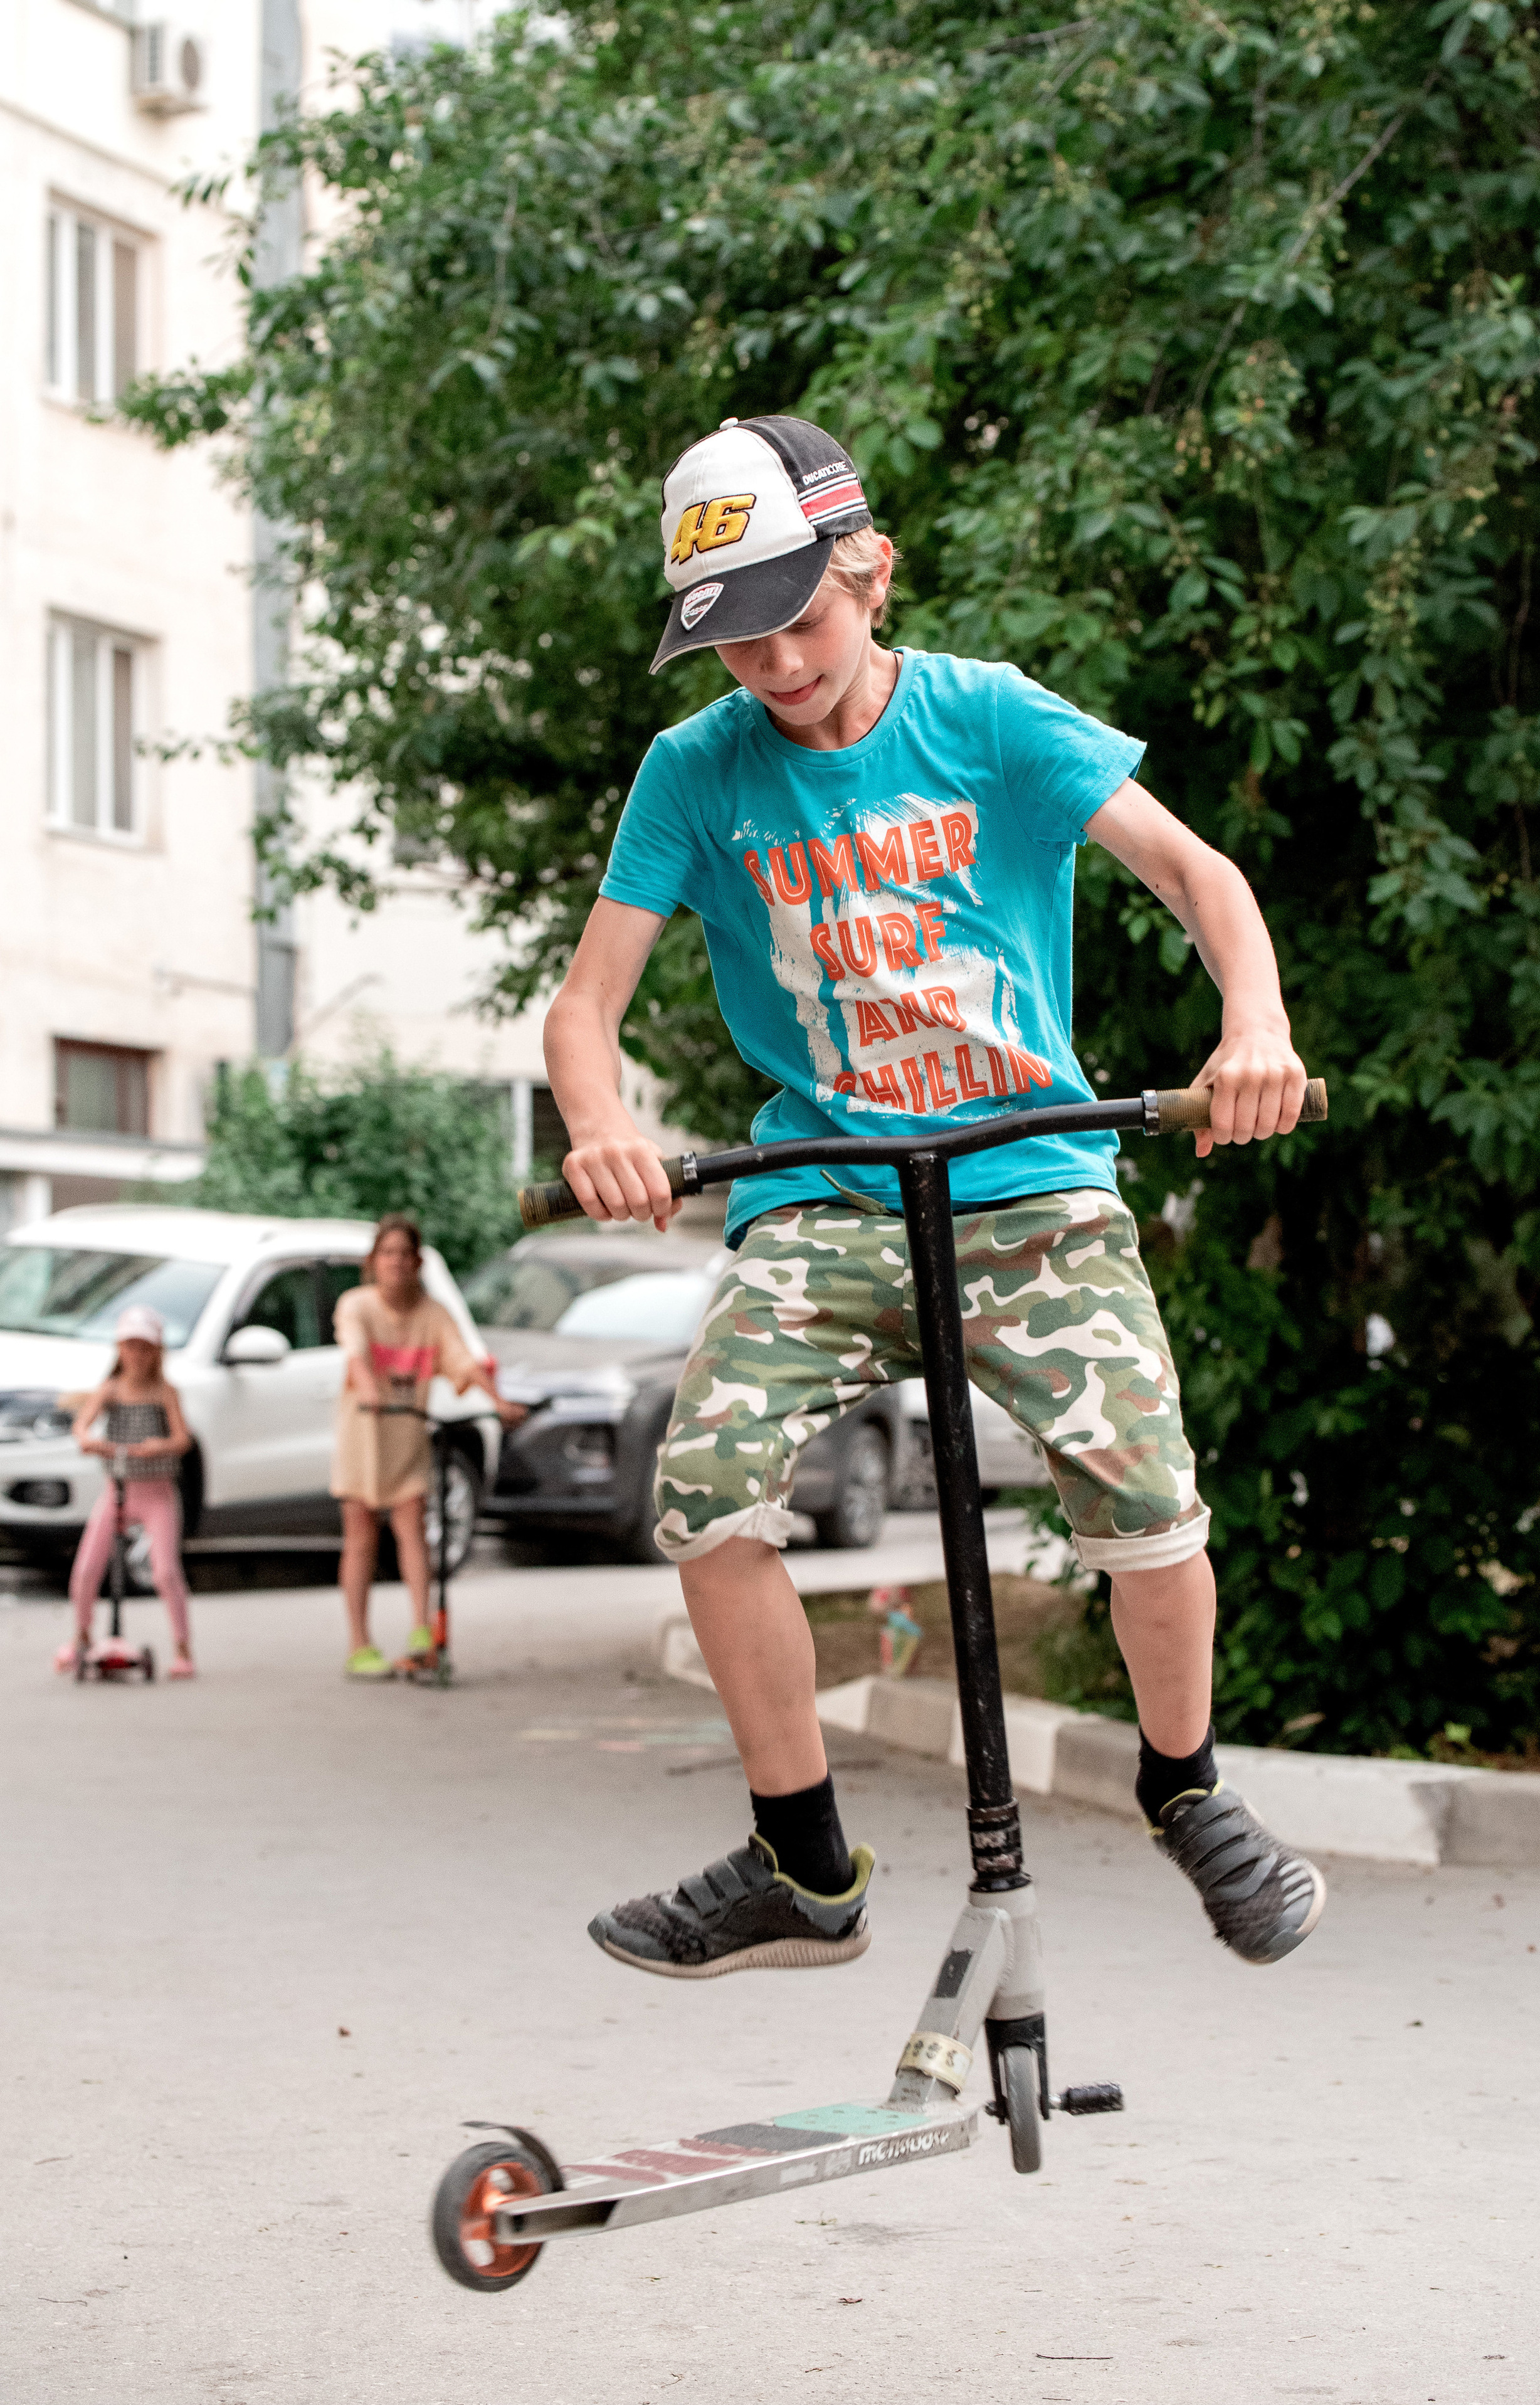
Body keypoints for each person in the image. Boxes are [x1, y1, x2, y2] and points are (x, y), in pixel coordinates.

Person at [543, 412, 1327, 1980]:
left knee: (1148, 1507)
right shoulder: (692, 772)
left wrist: (1252, 1027)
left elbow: (1198, 878)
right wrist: (599, 1121)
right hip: (826, 1197)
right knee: (703, 1491)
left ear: (869, 567)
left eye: (797, 621)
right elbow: (585, 1008)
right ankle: (801, 1858)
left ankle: (1183, 1785)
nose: (768, 665)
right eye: (731, 642)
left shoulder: (986, 718)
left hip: (1030, 1183)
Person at [331, 1212, 523, 1679]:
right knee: (360, 1537)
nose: (396, 1262)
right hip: (363, 1435)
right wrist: (369, 1389)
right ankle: (359, 1643)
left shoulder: (432, 1314)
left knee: (412, 1529)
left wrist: (498, 1401)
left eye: (405, 1254)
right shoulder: (357, 1304)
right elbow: (354, 1350)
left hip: (408, 1435)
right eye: (388, 1253)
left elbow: (463, 1361)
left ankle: (422, 1629)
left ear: (417, 1261)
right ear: (373, 1261)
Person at [58, 1303, 196, 1678]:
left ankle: (183, 1649)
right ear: (120, 1350)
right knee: (87, 1568)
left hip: (157, 1494)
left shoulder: (165, 1392)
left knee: (165, 1570)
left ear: (156, 1352)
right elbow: (83, 1426)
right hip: (117, 1489)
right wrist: (89, 1440)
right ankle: (81, 1637)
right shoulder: (112, 1390)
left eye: (144, 1348)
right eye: (129, 1346)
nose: (136, 1356)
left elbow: (183, 1438)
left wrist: (160, 1445)